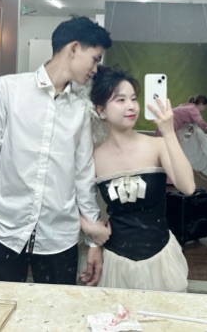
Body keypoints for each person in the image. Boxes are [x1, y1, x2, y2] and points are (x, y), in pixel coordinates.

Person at [0, 16, 112, 286]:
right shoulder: (8, 89)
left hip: (59, 238)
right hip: (2, 230)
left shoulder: (81, 109)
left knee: (55, 311)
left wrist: (93, 240)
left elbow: (83, 175)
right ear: (73, 48)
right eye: (95, 59)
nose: (95, 69)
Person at [80, 65, 195, 292]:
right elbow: (69, 200)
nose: (131, 106)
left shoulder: (157, 145)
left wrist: (168, 132)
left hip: (159, 257)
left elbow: (188, 186)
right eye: (120, 100)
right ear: (101, 110)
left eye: (133, 98)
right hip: (115, 260)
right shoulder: (94, 157)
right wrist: (89, 228)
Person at [168, 96, 207, 180]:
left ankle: (174, 174)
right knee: (174, 150)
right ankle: (173, 176)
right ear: (201, 104)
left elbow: (184, 119)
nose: (205, 109)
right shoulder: (193, 109)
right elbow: (200, 122)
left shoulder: (187, 106)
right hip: (170, 126)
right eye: (205, 106)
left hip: (169, 125)